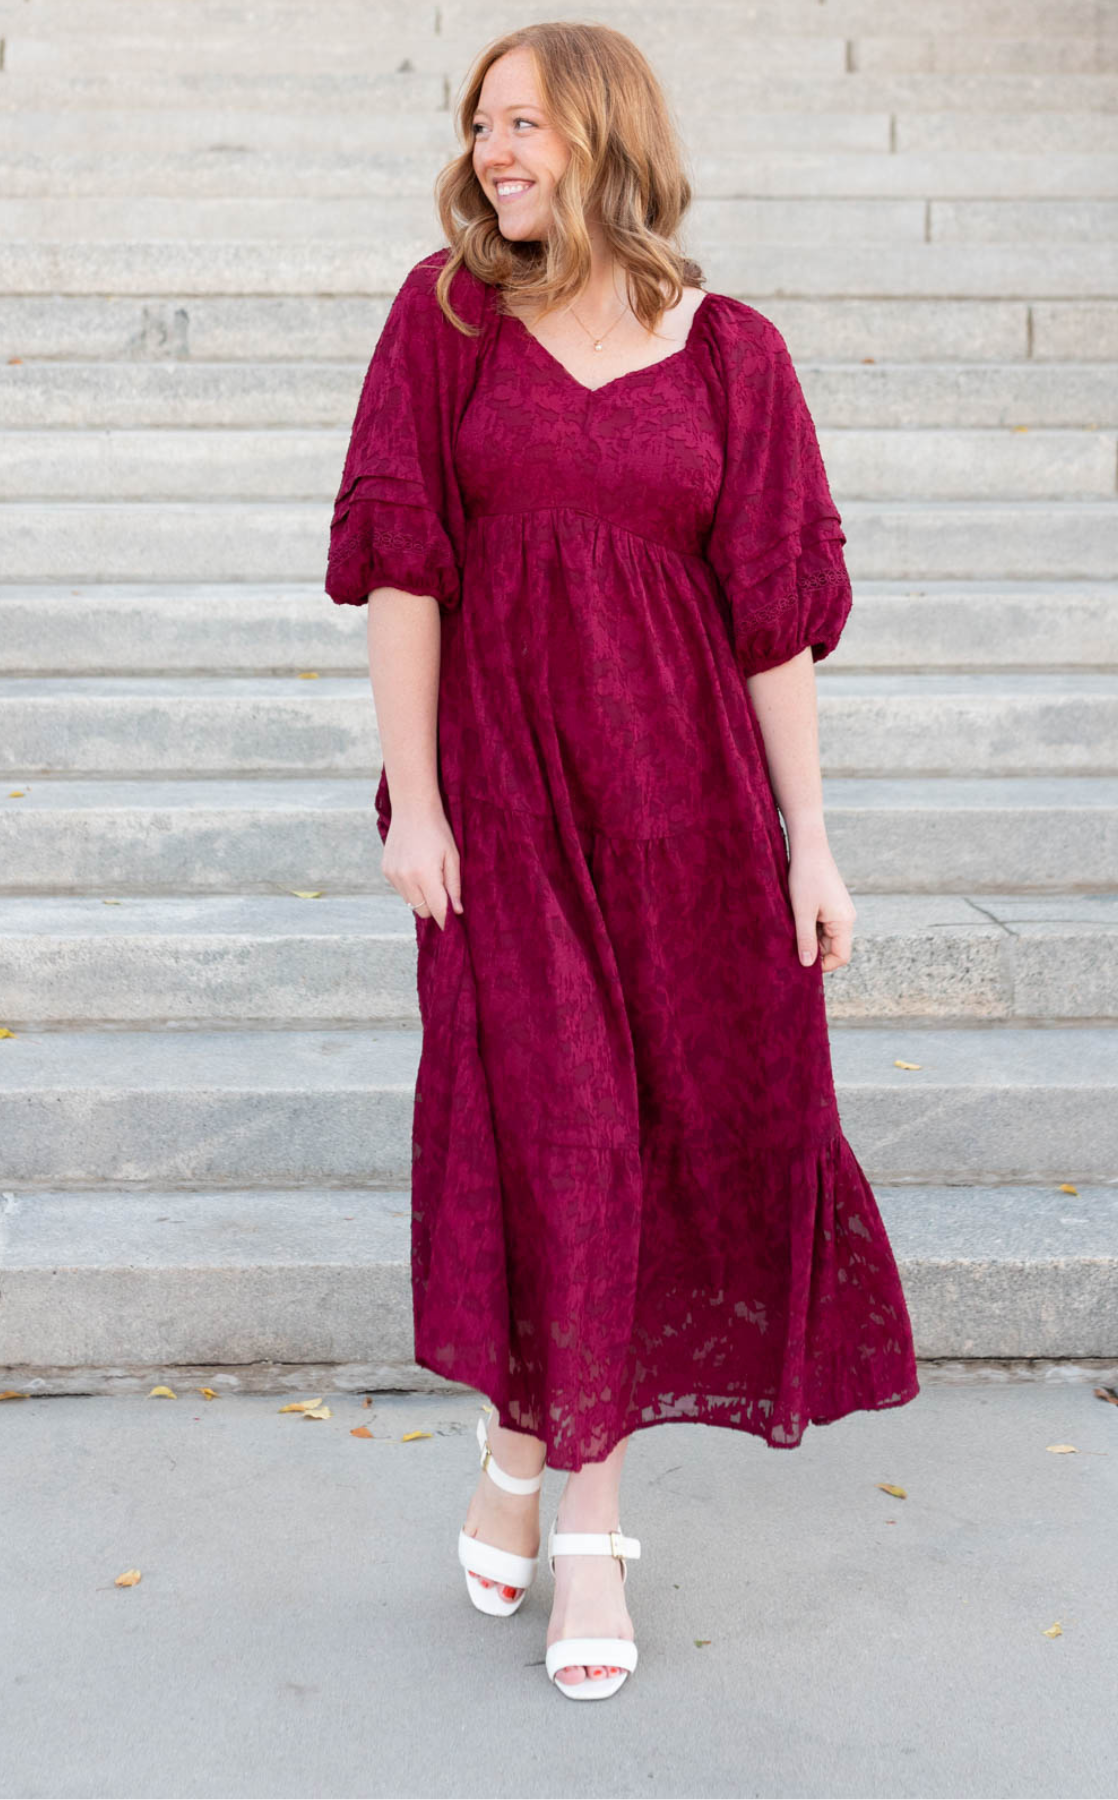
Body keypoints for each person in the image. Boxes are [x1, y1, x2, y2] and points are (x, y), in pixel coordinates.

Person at [326, 20, 921, 1703]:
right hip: (505, 809)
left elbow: (772, 631)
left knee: (666, 1135)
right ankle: (590, 1528)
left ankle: (527, 1452)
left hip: (692, 819)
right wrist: (415, 800)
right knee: (566, 1131)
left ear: (601, 135)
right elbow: (401, 574)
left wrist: (811, 842)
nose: (493, 150)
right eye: (480, 123)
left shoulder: (733, 353)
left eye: (524, 122)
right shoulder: (443, 323)